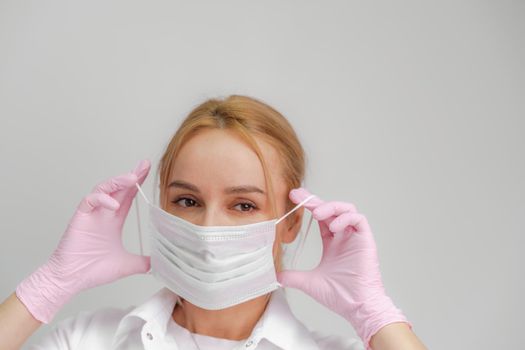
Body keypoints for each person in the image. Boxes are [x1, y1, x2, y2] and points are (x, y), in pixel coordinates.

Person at [0, 95, 427, 350]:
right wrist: (50, 285)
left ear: (292, 223)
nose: (206, 229)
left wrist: (375, 314)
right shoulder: (90, 341)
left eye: (243, 205)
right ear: (160, 209)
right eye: (187, 200)